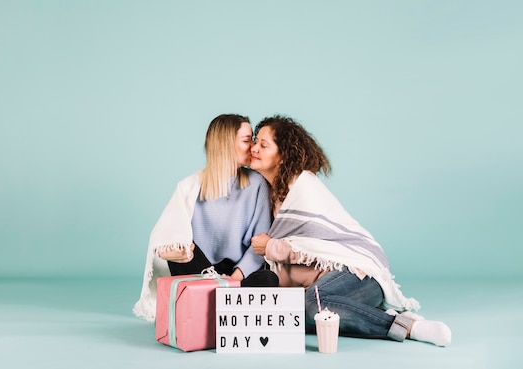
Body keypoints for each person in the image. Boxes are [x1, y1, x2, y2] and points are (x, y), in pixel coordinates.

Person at [249, 115, 451, 347]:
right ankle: (385, 317)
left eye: (263, 145)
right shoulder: (269, 194)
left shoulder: (303, 185)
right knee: (291, 314)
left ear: (283, 155)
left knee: (313, 305)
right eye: (255, 142)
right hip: (325, 286)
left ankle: (408, 328)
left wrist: (270, 247)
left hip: (357, 272)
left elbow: (316, 245)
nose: (254, 148)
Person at [133, 114, 278, 321]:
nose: (253, 147)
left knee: (268, 278)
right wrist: (176, 252)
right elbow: (166, 238)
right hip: (201, 271)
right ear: (225, 144)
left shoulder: (258, 184)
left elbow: (259, 247)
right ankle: (221, 310)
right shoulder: (189, 186)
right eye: (247, 140)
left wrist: (232, 281)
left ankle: (207, 309)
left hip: (238, 275)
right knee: (184, 252)